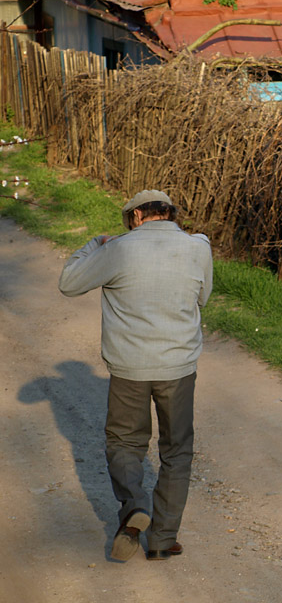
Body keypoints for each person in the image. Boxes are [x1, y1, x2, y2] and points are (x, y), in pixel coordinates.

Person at [58, 189, 213, 562]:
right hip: (178, 367)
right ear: (169, 214)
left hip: (129, 367)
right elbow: (203, 297)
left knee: (125, 443)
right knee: (177, 450)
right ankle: (162, 539)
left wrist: (95, 244)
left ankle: (133, 508)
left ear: (138, 218)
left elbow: (69, 282)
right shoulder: (198, 247)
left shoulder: (119, 249)